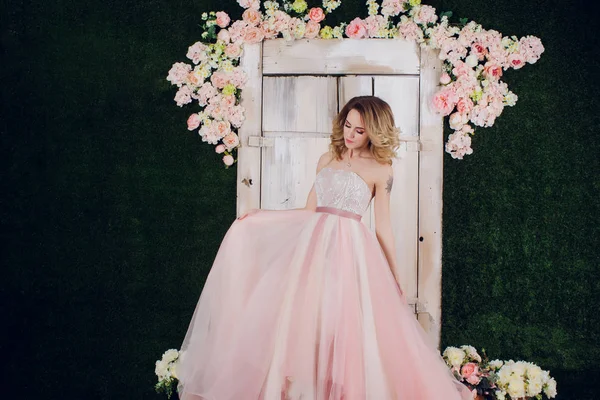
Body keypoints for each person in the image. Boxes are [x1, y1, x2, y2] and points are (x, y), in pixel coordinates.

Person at [176, 96, 473, 400]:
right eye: (348, 125)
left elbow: (383, 227)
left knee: (345, 328)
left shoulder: (381, 169)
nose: (351, 134)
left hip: (352, 255)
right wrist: (262, 216)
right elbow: (309, 210)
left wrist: (395, 278)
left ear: (373, 132)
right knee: (306, 324)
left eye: (360, 130)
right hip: (313, 251)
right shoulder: (327, 159)